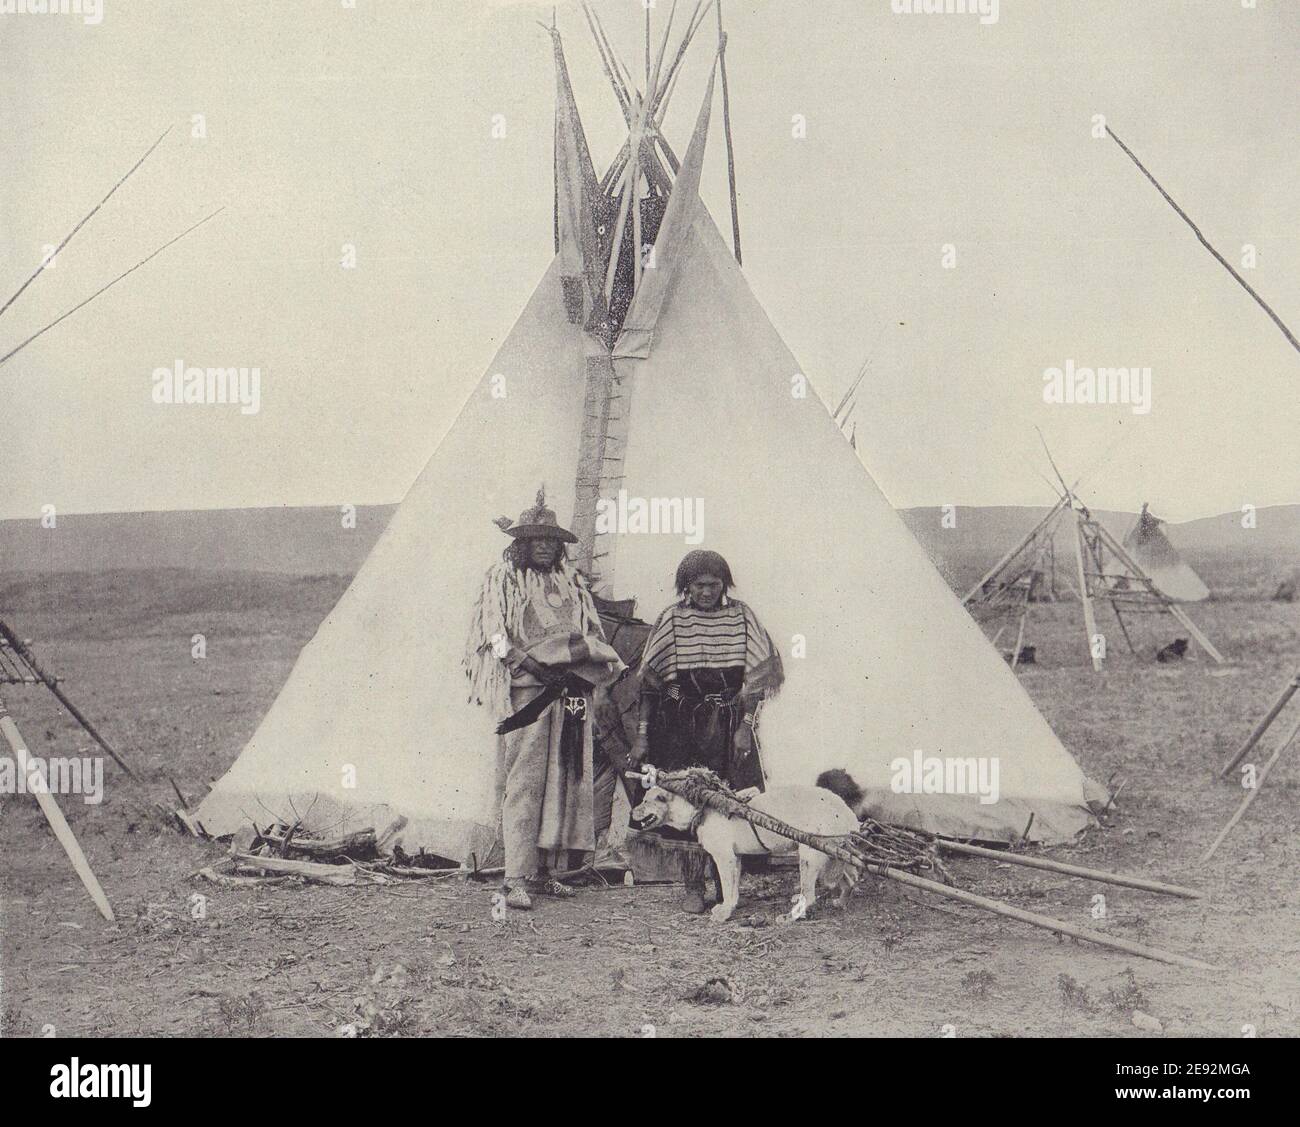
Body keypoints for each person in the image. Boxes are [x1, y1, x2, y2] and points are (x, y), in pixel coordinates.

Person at [465, 488, 625, 911]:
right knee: (526, 780)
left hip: (571, 692)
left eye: (550, 540)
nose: (543, 546)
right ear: (520, 544)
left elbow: (586, 632)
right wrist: (525, 662)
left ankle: (548, 872)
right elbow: (493, 632)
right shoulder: (502, 579)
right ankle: (515, 877)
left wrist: (582, 665)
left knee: (569, 777)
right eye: (535, 539)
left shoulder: (570, 583)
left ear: (559, 546)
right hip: (529, 692)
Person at [631, 550, 784, 912]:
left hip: (729, 723)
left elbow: (758, 679)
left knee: (728, 802)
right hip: (679, 726)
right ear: (686, 586)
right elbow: (651, 686)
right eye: (698, 585)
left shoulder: (741, 615)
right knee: (681, 800)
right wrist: (641, 735)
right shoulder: (671, 619)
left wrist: (746, 726)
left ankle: (725, 884)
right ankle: (693, 888)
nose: (706, 592)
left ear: (724, 584)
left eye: (714, 585)